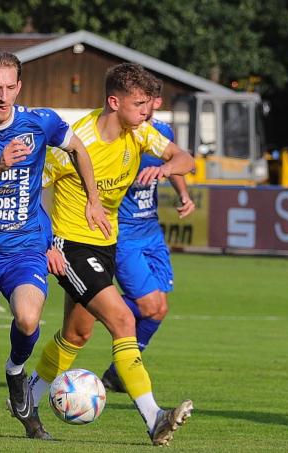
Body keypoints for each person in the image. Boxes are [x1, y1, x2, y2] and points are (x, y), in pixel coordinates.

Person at [0, 52, 108, 451]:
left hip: (25, 248)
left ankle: (16, 372)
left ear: (19, 86)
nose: (3, 96)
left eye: (10, 86)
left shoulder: (40, 121)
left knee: (28, 316)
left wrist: (94, 199)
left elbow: (78, 149)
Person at [26, 62, 195, 447]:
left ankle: (26, 400)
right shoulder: (77, 139)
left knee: (77, 333)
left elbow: (186, 158)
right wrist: (47, 242)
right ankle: (155, 418)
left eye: (148, 106)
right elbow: (31, 192)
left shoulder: (139, 133)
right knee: (122, 319)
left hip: (106, 246)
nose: (147, 112)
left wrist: (167, 169)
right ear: (114, 101)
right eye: (139, 105)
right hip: (70, 247)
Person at [100, 75, 196, 392]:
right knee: (147, 305)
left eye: (152, 101)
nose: (148, 108)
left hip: (151, 230)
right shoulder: (122, 136)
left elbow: (177, 162)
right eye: (141, 101)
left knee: (160, 308)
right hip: (124, 234)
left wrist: (181, 191)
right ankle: (95, 306)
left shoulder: (161, 134)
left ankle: (117, 373)